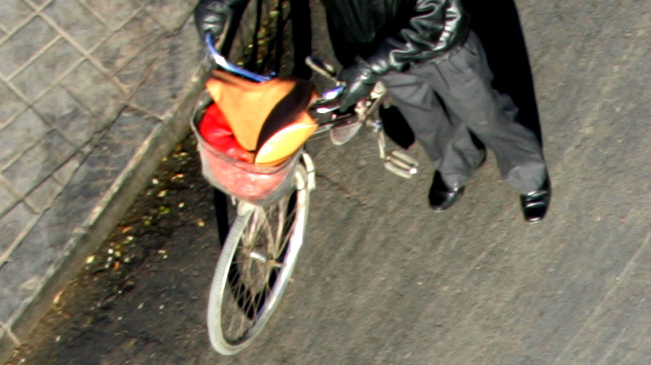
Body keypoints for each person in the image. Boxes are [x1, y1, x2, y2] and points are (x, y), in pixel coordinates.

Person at [200, 0, 549, 220]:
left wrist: (369, 68)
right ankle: (456, 165)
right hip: (375, 50)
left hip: (438, 48)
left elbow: (434, 18)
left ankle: (529, 176)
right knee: (423, 116)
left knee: (486, 115)